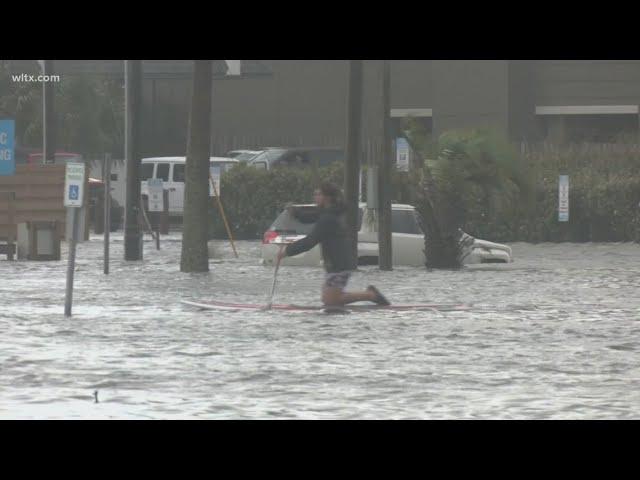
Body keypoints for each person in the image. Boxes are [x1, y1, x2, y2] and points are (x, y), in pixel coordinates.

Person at [277, 182, 390, 308]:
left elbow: (311, 241)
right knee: (328, 300)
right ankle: (367, 295)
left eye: (318, 194)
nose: (315, 197)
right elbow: (310, 217)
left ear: (327, 197)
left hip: (339, 265)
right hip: (334, 264)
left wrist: (287, 251)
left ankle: (370, 295)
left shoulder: (328, 218)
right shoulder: (326, 213)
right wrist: (295, 212)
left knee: (331, 301)